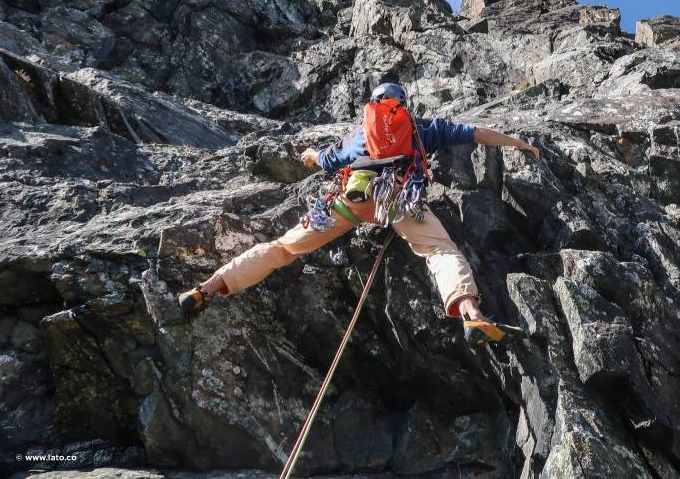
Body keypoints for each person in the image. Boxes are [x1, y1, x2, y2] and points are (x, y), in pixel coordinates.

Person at [177, 83, 539, 342]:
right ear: (403, 104)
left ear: (373, 104)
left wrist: (309, 153)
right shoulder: (420, 129)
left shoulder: (359, 136)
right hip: (398, 200)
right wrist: (516, 141)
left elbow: (325, 160)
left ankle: (209, 286)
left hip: (350, 199)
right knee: (439, 250)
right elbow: (473, 133)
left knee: (285, 249)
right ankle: (471, 315)